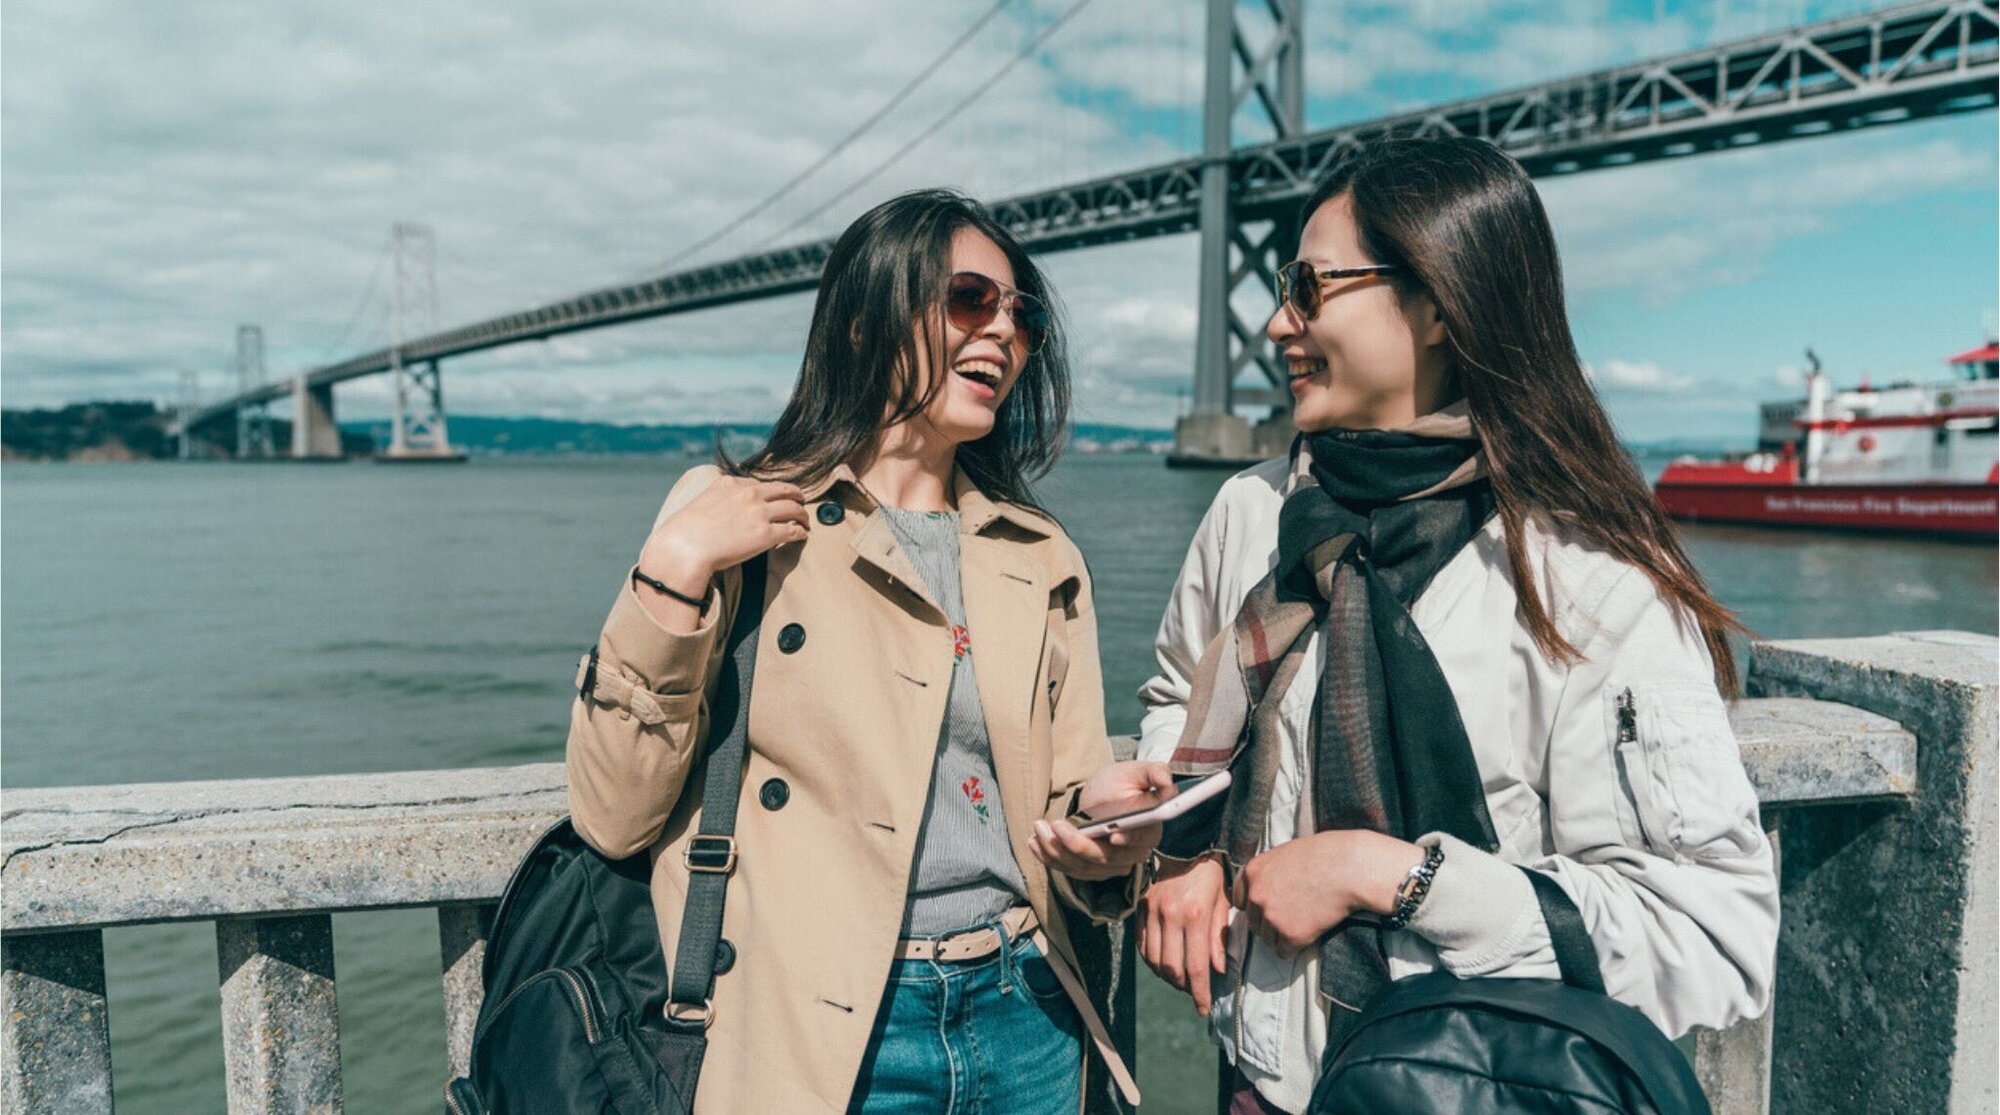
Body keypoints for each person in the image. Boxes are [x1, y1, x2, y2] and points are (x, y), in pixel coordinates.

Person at [1133, 137, 1780, 1114]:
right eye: (1280, 286)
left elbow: (1708, 928)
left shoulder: (1587, 580)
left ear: (1435, 302)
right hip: (1259, 1084)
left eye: (1308, 288)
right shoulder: (1249, 516)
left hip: (1464, 1089)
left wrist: (1389, 874)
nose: (1274, 323)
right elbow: (1179, 699)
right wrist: (1184, 853)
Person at [566, 189, 1162, 1115]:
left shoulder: (1039, 555)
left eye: (1022, 315)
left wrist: (1106, 829)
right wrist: (674, 568)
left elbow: (1061, 806)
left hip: (1026, 1016)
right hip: (819, 1028)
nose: (1003, 332)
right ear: (860, 323)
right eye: (970, 298)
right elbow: (612, 813)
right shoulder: (735, 517)